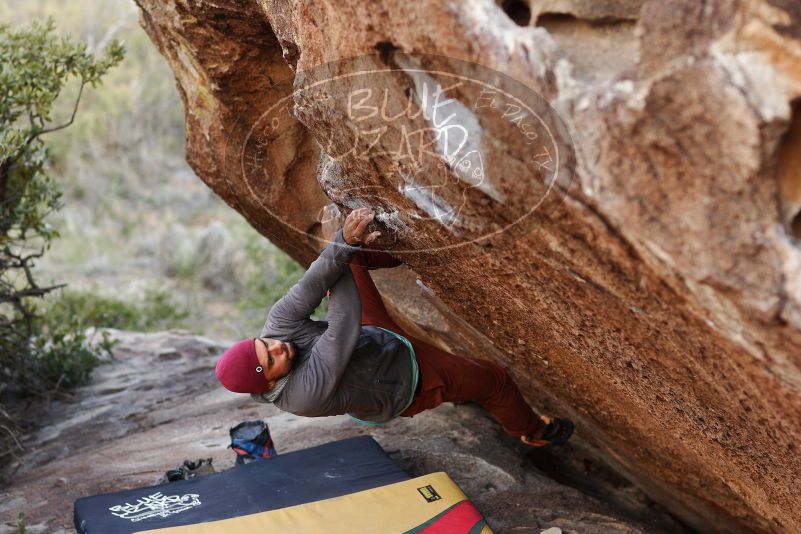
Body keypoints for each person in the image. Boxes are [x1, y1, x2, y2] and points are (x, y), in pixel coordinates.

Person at [215, 205, 573, 448]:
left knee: (346, 261)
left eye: (267, 344)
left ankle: (416, 248)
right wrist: (336, 244)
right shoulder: (303, 396)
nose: (278, 346)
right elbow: (342, 321)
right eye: (273, 359)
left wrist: (343, 245)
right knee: (494, 380)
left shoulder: (276, 330)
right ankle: (533, 432)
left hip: (373, 339)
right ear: (272, 381)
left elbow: (312, 284)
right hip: (409, 381)